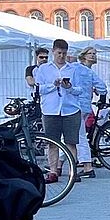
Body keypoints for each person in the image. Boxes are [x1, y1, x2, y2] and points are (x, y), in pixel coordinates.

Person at [33, 38, 89, 183]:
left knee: (71, 142)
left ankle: (72, 171)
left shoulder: (73, 69)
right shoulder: (44, 69)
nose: (61, 56)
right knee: (53, 142)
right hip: (50, 110)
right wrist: (54, 85)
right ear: (53, 51)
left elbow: (79, 90)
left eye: (64, 53)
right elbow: (39, 89)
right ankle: (53, 172)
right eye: (59, 53)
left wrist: (68, 87)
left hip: (70, 110)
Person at [70, 47, 108, 178]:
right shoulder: (89, 72)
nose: (93, 56)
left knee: (78, 136)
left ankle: (87, 166)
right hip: (85, 106)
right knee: (72, 135)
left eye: (94, 54)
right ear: (84, 56)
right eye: (90, 54)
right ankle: (59, 163)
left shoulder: (77, 68)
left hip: (75, 106)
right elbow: (102, 86)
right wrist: (102, 96)